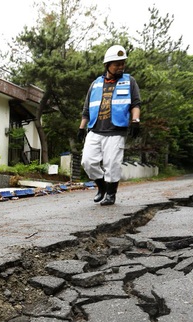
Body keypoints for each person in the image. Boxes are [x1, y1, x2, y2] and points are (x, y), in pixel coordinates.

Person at [77, 45, 141, 206]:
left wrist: (135, 121)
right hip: (95, 129)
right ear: (107, 65)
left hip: (116, 130)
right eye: (117, 64)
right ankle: (102, 187)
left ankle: (111, 194)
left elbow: (135, 103)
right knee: (87, 162)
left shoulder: (129, 81)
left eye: (122, 63)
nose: (120, 67)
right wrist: (81, 128)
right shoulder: (96, 84)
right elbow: (86, 109)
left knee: (112, 164)